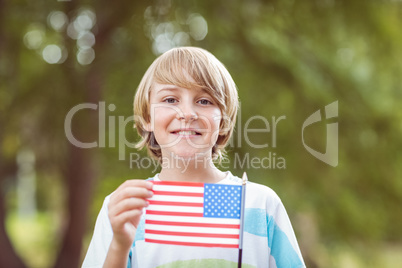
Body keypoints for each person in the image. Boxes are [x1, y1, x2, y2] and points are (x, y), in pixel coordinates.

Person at [82, 47, 305, 268]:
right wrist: (119, 246)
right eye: (170, 99)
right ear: (147, 117)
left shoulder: (260, 204)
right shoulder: (124, 208)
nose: (187, 113)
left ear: (223, 121)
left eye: (204, 101)